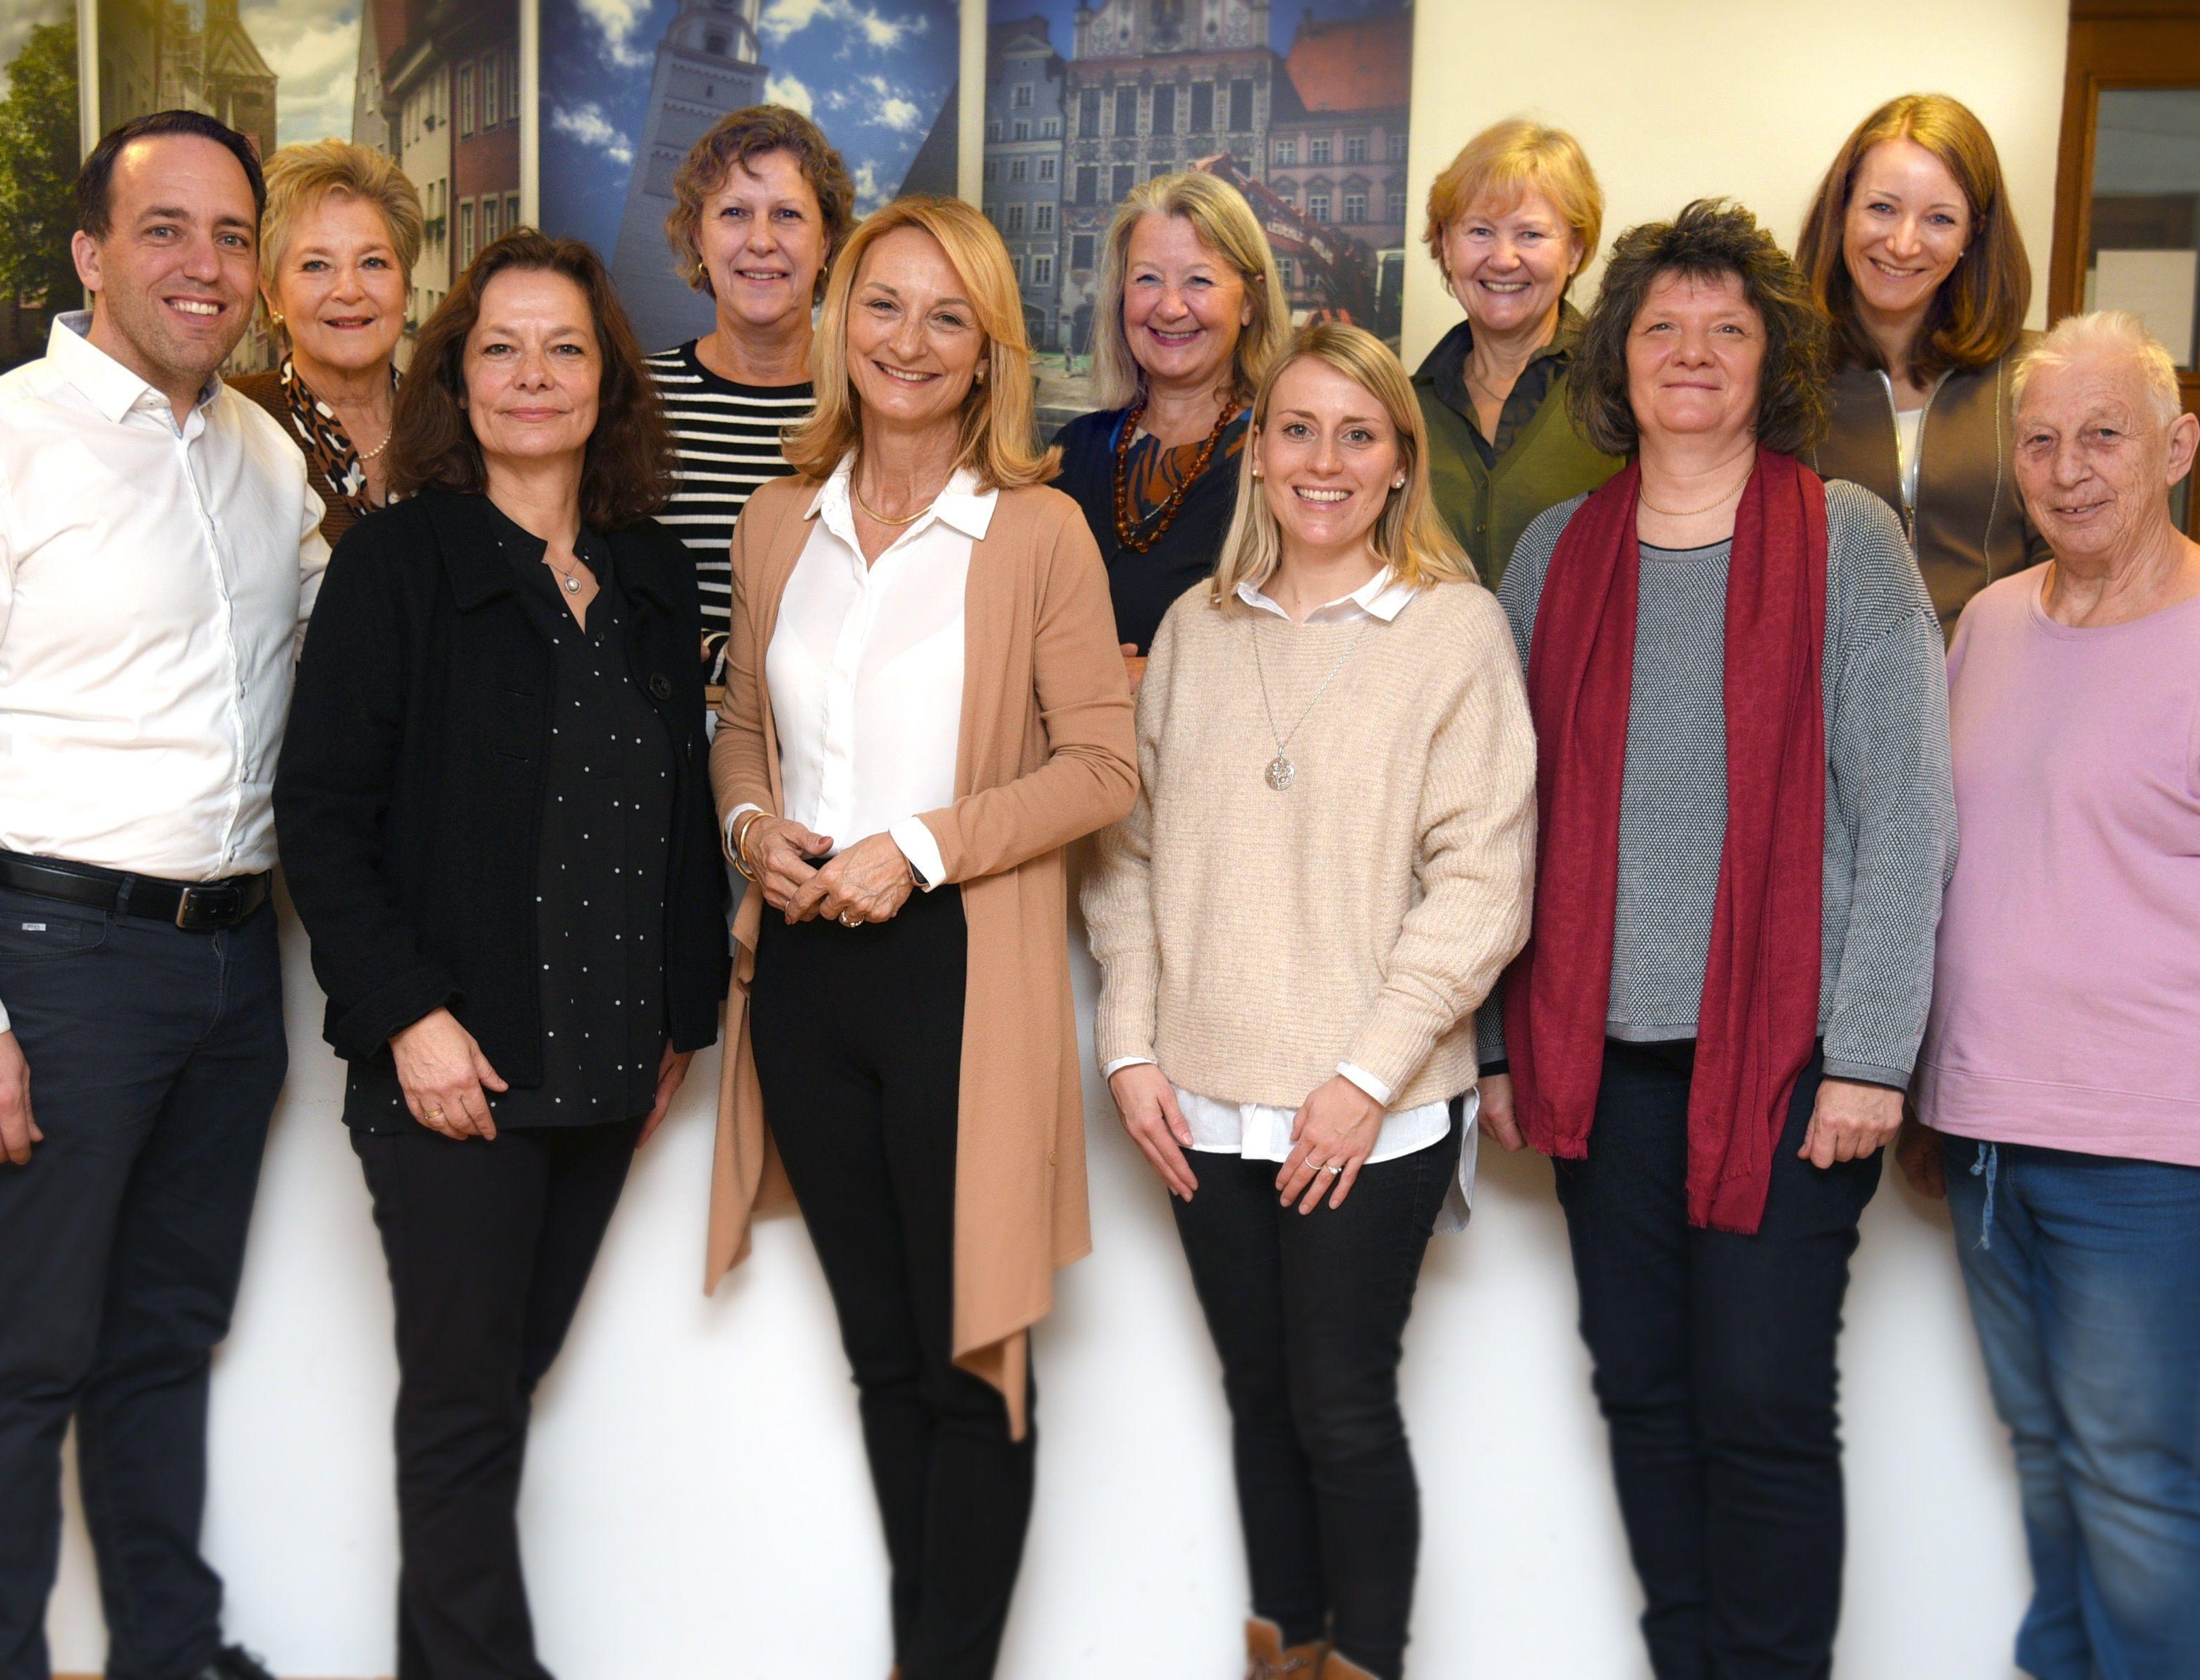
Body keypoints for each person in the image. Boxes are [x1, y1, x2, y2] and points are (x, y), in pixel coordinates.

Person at [0, 110, 323, 1680]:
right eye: (164, 229)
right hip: (54, 966)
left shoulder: (265, 458)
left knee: (163, 1340)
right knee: (17, 1358)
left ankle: (166, 1654)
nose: (205, 265)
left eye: (232, 236)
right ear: (90, 255)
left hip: (232, 967)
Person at [1478, 200, 1952, 1680]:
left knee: (1759, 1400)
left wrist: (1871, 1054)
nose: (1692, 351)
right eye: (1663, 326)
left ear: (1769, 361)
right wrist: (1494, 1045)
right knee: (1642, 1390)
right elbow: (1490, 820)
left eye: (1727, 328)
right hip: (1599, 1062)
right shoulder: (1555, 554)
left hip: (1791, 1062)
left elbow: (1908, 811)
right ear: (1617, 357)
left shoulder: (1847, 542)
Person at [272, 229, 730, 1679]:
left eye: (565, 348)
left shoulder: (652, 570)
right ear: (456, 378)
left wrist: (679, 1018)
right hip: (452, 1065)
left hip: (606, 1067)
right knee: (464, 1412)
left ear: (608, 382)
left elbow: (678, 805)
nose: (533, 375)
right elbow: (320, 817)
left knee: (486, 1400)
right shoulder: (395, 561)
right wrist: (408, 1017)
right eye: (501, 348)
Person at [706, 195, 1138, 1680]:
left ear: (987, 351)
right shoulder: (781, 516)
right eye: (883, 305)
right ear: (841, 324)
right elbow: (739, 724)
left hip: (954, 980)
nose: (908, 340)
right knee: (883, 1358)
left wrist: (924, 846)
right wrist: (750, 827)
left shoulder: (1036, 530)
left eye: (947, 315)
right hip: (803, 986)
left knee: (975, 1356)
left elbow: (1105, 767)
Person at [1083, 323, 1537, 1680]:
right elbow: (1127, 858)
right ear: (1258, 452)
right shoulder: (1195, 630)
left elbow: (1483, 884)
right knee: (1262, 1402)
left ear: (1400, 461)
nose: (1323, 461)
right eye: (1297, 429)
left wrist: (1364, 1076)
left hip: (1369, 1109)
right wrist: (1128, 1049)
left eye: (1357, 433)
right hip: (1203, 1096)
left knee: (1341, 1407)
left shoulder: (1455, 631)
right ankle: (1283, 1658)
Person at [1899, 310, 2200, 1680]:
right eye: (2039, 440)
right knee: (2048, 1458)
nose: (2067, 468)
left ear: (2175, 447)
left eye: (2102, 435)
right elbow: (1957, 867)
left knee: (2139, 1478)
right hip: (1988, 1142)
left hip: (2157, 1160)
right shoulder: (1991, 625)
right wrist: (1927, 1092)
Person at [1798, 93, 2048, 639]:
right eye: (1882, 208)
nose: (1903, 244)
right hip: (1830, 691)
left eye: (1939, 218)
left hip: (2003, 683)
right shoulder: (1781, 376)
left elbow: (2076, 566)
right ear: (1841, 210)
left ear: (1973, 233)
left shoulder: (2039, 375)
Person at [644, 103, 858, 674]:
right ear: (698, 236)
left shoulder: (874, 402)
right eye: (735, 213)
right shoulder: (633, 400)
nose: (760, 241)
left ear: (827, 241)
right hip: (668, 721)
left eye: (787, 215)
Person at [1052, 170, 1289, 655]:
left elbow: (1304, 648)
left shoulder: (1283, 463)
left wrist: (1159, 680)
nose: (1171, 307)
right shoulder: (1071, 452)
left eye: (1198, 280)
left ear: (1250, 301)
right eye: (1147, 279)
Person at [1411, 118, 1622, 590]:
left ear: (1575, 251)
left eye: (1530, 235)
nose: (1504, 259)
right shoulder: (1401, 408)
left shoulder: (1626, 390)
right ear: (1446, 245)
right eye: (1480, 231)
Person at [227, 138, 424, 546]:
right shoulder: (228, 424)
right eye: (316, 265)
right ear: (272, 295)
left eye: (373, 262)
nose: (349, 290)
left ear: (405, 289)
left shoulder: (454, 425)